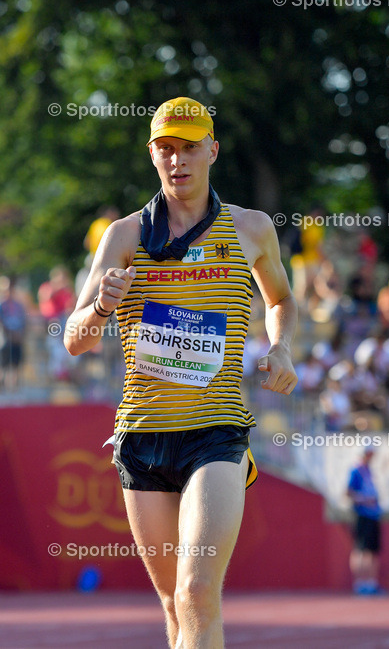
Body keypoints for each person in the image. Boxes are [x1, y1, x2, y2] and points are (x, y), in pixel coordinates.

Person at [63, 97, 298, 648]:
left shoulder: (252, 228)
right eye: (166, 149)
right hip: (142, 435)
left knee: (196, 591)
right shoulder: (123, 237)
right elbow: (75, 339)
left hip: (215, 432)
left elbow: (281, 298)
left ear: (212, 151)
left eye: (190, 147)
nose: (178, 160)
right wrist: (99, 305)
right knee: (172, 605)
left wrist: (281, 346)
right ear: (152, 155)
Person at [347, 448, 382, 595]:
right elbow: (348, 492)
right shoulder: (356, 470)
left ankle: (371, 583)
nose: (371, 456)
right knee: (361, 550)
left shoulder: (369, 470)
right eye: (369, 453)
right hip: (363, 515)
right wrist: (365, 500)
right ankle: (360, 583)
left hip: (374, 515)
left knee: (373, 551)